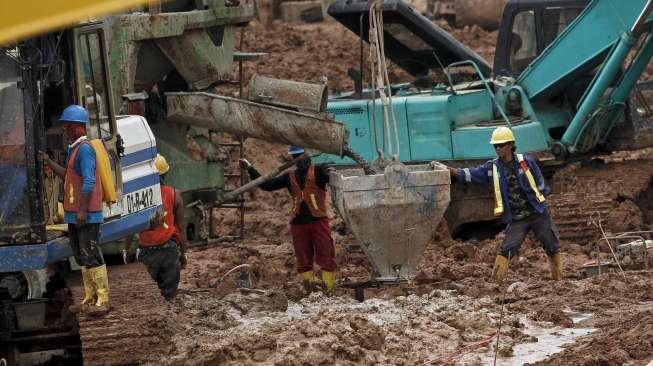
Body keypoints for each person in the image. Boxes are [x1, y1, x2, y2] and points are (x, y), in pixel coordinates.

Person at [448, 127, 563, 282]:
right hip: (517, 218)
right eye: (495, 146)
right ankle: (495, 282)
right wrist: (453, 172)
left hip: (537, 213)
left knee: (551, 244)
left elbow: (539, 180)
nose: (497, 148)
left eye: (500, 145)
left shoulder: (525, 161)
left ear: (510, 145)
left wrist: (543, 198)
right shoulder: (493, 167)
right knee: (507, 248)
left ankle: (558, 280)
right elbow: (474, 174)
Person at [39, 105, 111, 316]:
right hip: (74, 214)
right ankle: (90, 298)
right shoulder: (74, 150)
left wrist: (82, 211)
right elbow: (69, 177)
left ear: (78, 128)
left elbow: (88, 181)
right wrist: (49, 162)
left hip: (86, 215)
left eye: (67, 126)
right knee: (81, 256)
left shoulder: (85, 150)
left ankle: (103, 299)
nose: (64, 130)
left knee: (91, 254)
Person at [239, 146, 337, 294]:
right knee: (303, 260)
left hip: (318, 221)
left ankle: (328, 290)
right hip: (298, 224)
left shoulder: (319, 171)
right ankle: (308, 290)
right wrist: (250, 169)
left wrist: (329, 170)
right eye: (296, 156)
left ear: (308, 155)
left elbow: (332, 176)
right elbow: (268, 185)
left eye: (300, 155)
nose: (299, 160)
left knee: (326, 254)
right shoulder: (289, 176)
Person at [123, 154, 188, 300]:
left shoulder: (137, 197)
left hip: (147, 254)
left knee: (148, 297)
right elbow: (181, 228)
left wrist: (126, 250)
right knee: (169, 295)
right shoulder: (175, 195)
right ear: (165, 173)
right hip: (170, 252)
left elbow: (130, 228)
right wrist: (184, 253)